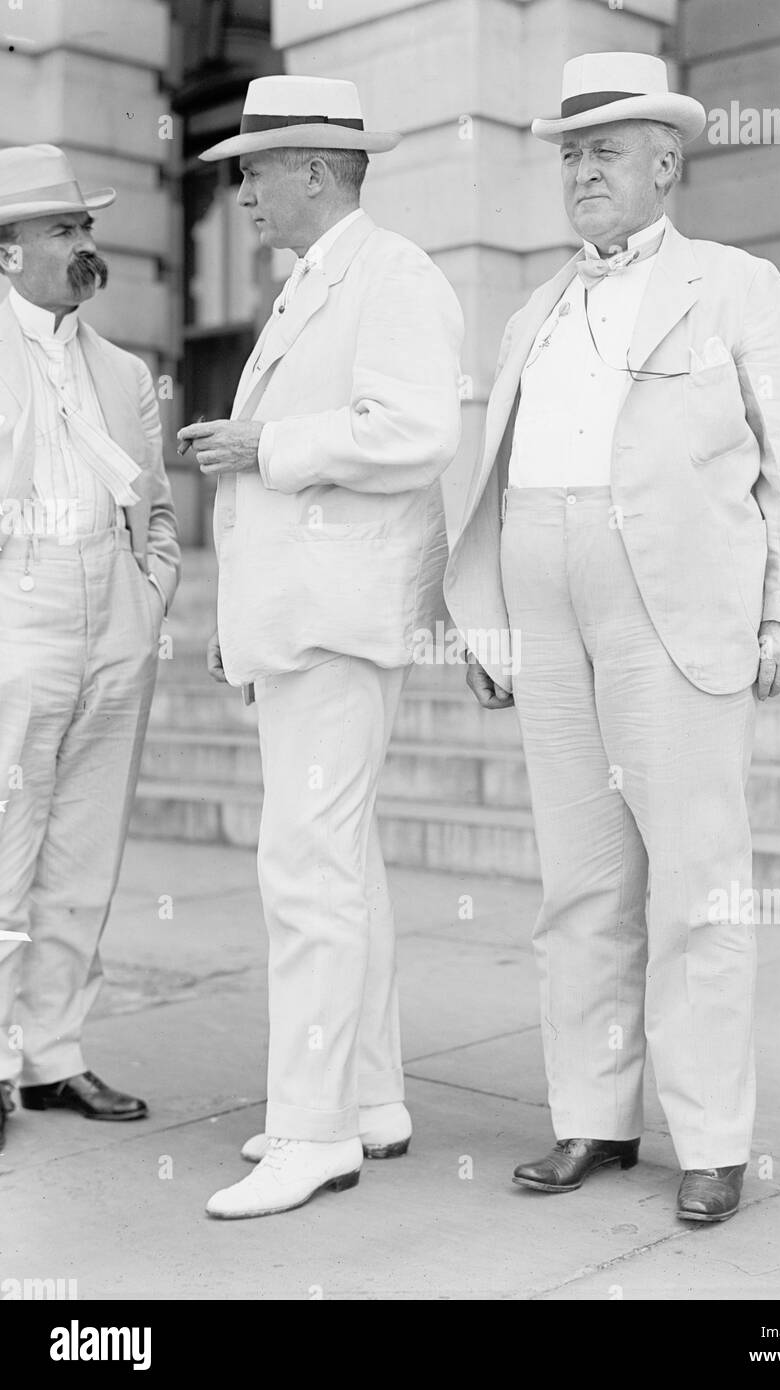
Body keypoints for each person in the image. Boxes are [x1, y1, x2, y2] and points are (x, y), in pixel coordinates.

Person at [444, 52, 780, 1223]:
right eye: (570, 153)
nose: (582, 172)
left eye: (604, 150)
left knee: (698, 885)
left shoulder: (735, 286)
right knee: (580, 883)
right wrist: (488, 620)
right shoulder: (535, 309)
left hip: (676, 609)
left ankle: (711, 1138)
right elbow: (503, 473)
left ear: (665, 164)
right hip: (548, 610)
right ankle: (594, 1120)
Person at [179, 76, 464, 1220]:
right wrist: (234, 618)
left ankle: (314, 1132)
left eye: (252, 168)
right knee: (339, 862)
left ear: (312, 169)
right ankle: (370, 1098)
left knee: (305, 869)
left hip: (337, 624)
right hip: (304, 620)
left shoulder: (389, 275)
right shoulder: (322, 284)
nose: (241, 191)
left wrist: (262, 443)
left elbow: (415, 431)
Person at [0, 145, 180, 1152]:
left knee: (85, 851)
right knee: (5, 854)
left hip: (113, 615)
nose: (85, 245)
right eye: (63, 230)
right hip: (15, 613)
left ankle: (55, 1054)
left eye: (86, 227)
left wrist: (150, 598)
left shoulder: (120, 370)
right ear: (6, 252)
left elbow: (155, 510)